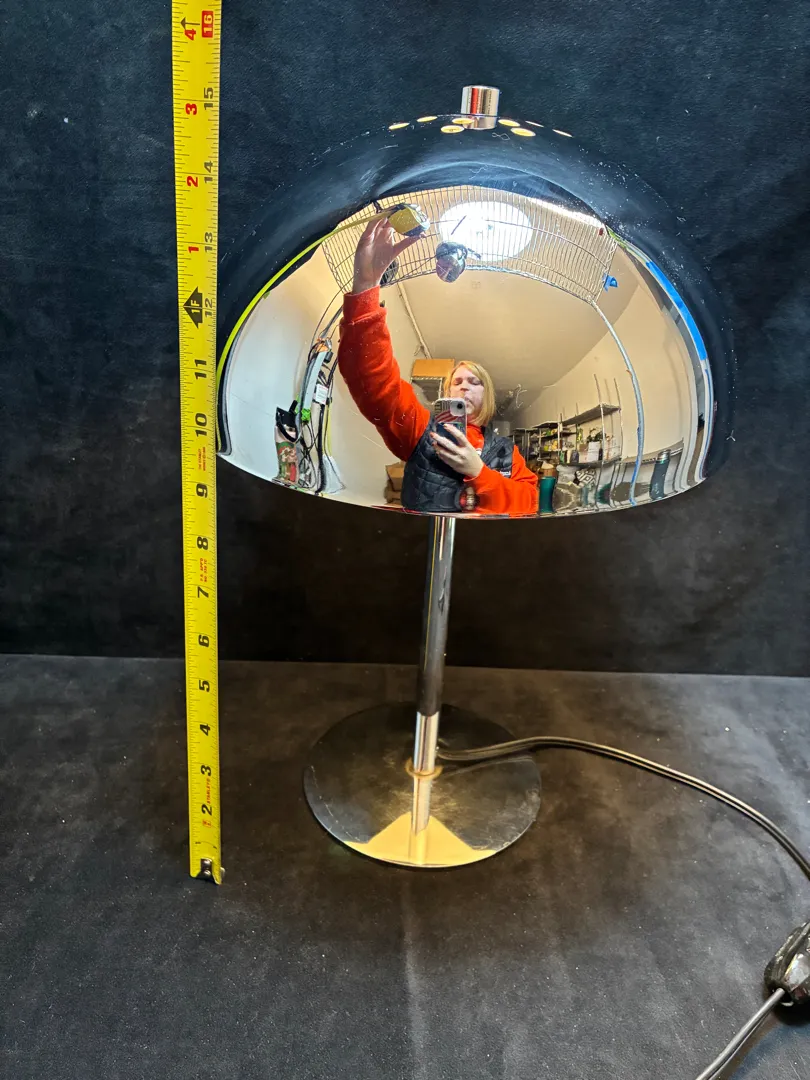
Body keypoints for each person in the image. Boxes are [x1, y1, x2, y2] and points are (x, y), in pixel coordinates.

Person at [337, 217, 539, 516]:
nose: (464, 386)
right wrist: (366, 287)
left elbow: (529, 503)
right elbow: (373, 381)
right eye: (457, 381)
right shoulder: (422, 428)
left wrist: (478, 471)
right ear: (447, 393)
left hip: (486, 544)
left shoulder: (506, 451)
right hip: (420, 539)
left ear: (487, 395)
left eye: (474, 382)